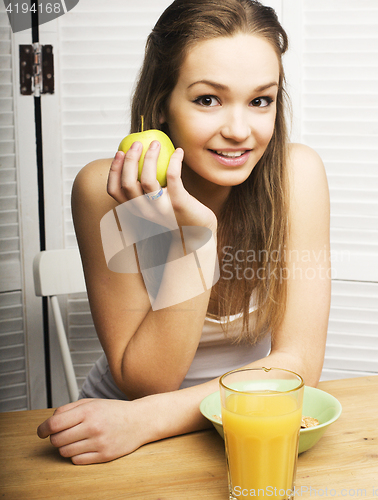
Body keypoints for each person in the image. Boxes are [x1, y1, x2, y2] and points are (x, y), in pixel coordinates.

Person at [37, 0, 331, 465]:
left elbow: (298, 365)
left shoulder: (297, 177)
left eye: (260, 100)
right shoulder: (106, 189)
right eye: (208, 99)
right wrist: (192, 243)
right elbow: (149, 382)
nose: (239, 130)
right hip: (122, 435)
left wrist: (149, 419)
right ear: (162, 104)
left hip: (213, 424)